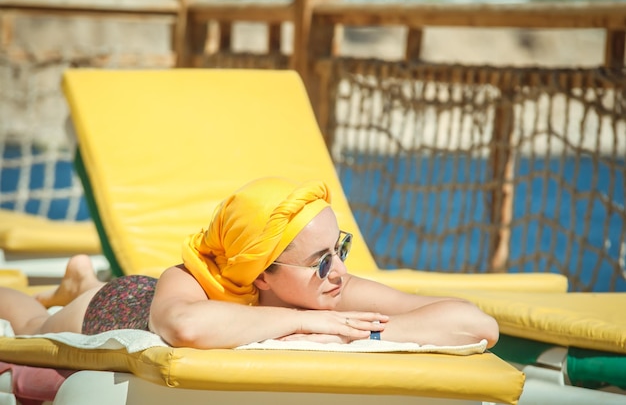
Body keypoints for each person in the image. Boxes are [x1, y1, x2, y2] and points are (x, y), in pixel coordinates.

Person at [0, 177, 499, 350]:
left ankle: (78, 277)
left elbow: (475, 323)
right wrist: (304, 324)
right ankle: (80, 284)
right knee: (30, 324)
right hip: (121, 302)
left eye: (339, 248)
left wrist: (357, 331)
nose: (340, 270)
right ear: (263, 274)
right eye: (320, 261)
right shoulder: (185, 279)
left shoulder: (329, 288)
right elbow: (187, 324)